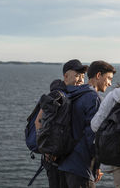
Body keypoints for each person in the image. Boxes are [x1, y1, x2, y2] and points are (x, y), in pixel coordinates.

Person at [58, 60, 116, 188]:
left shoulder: (73, 94)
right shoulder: (93, 98)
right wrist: (97, 165)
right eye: (108, 78)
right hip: (81, 167)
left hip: (64, 164)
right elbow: (93, 136)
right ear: (98, 75)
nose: (110, 83)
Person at [35, 59, 89, 188]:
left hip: (67, 157)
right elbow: (38, 121)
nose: (81, 80)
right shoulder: (57, 95)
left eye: (82, 76)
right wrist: (47, 150)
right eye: (77, 76)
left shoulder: (74, 94)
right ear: (66, 76)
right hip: (54, 158)